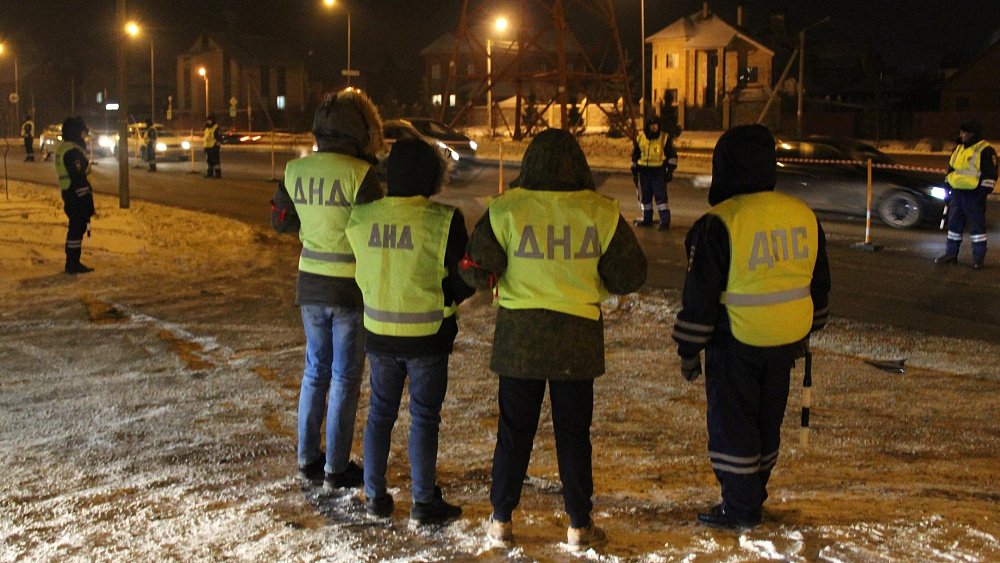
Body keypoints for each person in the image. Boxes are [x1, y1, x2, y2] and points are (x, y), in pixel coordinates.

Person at [461, 128, 647, 550]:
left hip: (519, 340)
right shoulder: (599, 212)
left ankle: (501, 519)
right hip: (576, 341)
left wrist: (495, 276)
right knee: (573, 433)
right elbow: (631, 274)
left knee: (514, 431)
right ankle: (579, 524)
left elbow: (473, 269)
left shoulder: (506, 209)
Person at [672, 124, 831, 530]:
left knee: (733, 426)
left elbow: (700, 298)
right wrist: (808, 329)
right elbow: (820, 284)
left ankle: (740, 510)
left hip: (736, 341)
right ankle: (752, 496)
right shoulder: (802, 215)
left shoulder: (719, 224)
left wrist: (689, 351)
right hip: (787, 341)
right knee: (765, 422)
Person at [345, 137, 476, 525]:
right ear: (432, 176)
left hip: (380, 334)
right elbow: (464, 278)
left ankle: (374, 494)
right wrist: (446, 299)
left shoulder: (362, 217)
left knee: (379, 414)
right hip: (428, 335)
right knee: (423, 418)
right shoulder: (443, 220)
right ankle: (423, 502)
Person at [270, 89, 386, 491]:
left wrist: (310, 230)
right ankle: (337, 467)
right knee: (344, 378)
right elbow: (376, 229)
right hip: (351, 290)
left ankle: (307, 458)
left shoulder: (295, 171)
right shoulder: (361, 175)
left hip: (311, 286)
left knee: (314, 372)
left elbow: (280, 221)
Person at [935, 120, 997, 270]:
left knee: (977, 228)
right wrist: (947, 185)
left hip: (973, 195)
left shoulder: (985, 150)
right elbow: (951, 169)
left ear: (973, 134)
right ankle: (951, 254)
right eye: (961, 132)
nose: (961, 135)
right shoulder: (958, 149)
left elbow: (991, 175)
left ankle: (978, 259)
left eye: (965, 132)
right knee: (954, 226)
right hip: (957, 193)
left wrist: (981, 193)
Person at [54, 116, 96, 275]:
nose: (83, 136)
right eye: (81, 132)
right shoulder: (72, 151)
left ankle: (72, 261)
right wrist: (86, 199)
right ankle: (72, 263)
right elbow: (78, 177)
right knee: (76, 228)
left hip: (69, 192)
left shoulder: (64, 147)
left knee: (76, 228)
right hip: (76, 194)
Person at [630, 116, 678, 230]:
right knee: (645, 197)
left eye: (656, 124)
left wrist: (670, 170)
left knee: (660, 197)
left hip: (658, 171)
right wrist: (634, 171)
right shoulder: (640, 138)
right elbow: (635, 156)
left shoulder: (664, 138)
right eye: (651, 124)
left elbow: (672, 156)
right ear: (647, 126)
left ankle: (665, 221)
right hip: (644, 171)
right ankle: (647, 218)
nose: (653, 127)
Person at [203, 114, 223, 178]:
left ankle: (218, 174)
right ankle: (210, 173)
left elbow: (219, 138)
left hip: (213, 147)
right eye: (207, 120)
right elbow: (206, 137)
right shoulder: (207, 128)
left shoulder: (216, 128)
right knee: (209, 161)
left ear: (213, 121)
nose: (208, 122)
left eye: (209, 120)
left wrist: (217, 146)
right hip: (208, 147)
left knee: (215, 161)